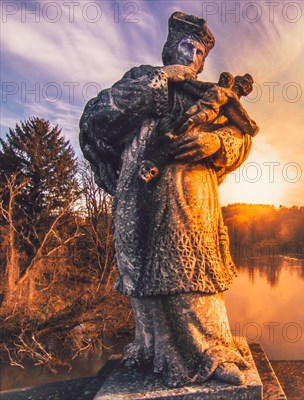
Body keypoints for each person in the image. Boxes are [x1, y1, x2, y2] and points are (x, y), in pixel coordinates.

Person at [79, 12, 257, 387]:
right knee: (142, 275)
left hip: (190, 198)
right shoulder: (141, 80)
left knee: (191, 273)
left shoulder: (208, 95)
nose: (192, 56)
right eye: (185, 47)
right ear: (168, 49)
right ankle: (154, 351)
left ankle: (210, 352)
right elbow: (97, 119)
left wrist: (215, 141)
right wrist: (160, 81)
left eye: (198, 52)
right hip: (139, 197)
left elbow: (241, 139)